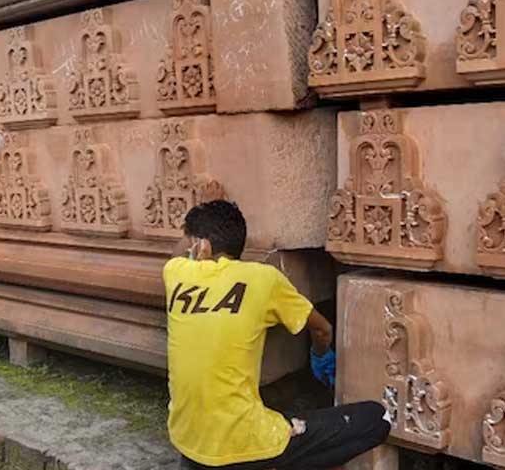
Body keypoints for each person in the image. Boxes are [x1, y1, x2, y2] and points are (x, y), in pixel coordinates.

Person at [164, 200, 391, 470]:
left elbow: (176, 255)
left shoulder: (174, 273)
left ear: (201, 246)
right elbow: (322, 328)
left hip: (188, 443)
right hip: (243, 445)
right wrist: (320, 355)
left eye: (188, 240)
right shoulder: (263, 279)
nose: (185, 248)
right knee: (378, 418)